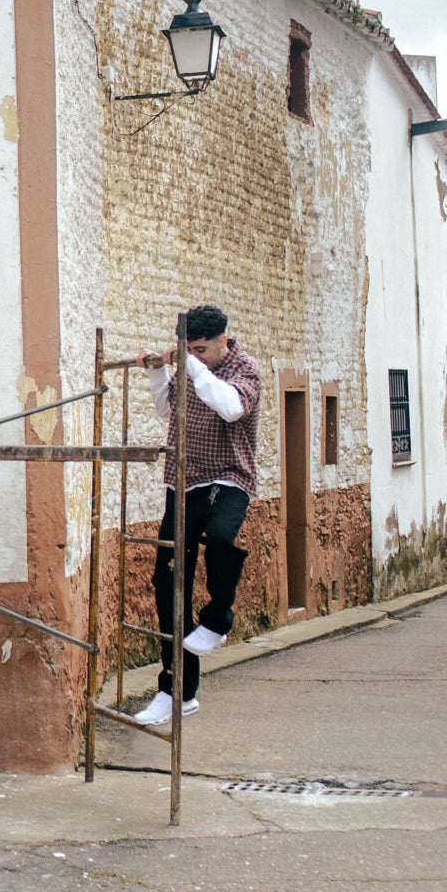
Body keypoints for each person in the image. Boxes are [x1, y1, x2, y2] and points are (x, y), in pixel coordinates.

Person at [131, 304, 262, 728]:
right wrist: (157, 371)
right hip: (184, 480)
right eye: (192, 350)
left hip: (228, 478)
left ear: (224, 341)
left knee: (222, 538)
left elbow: (230, 408)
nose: (198, 357)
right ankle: (176, 692)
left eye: (204, 349)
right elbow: (168, 411)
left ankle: (219, 618)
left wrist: (189, 365)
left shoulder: (246, 370)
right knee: (169, 581)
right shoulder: (193, 367)